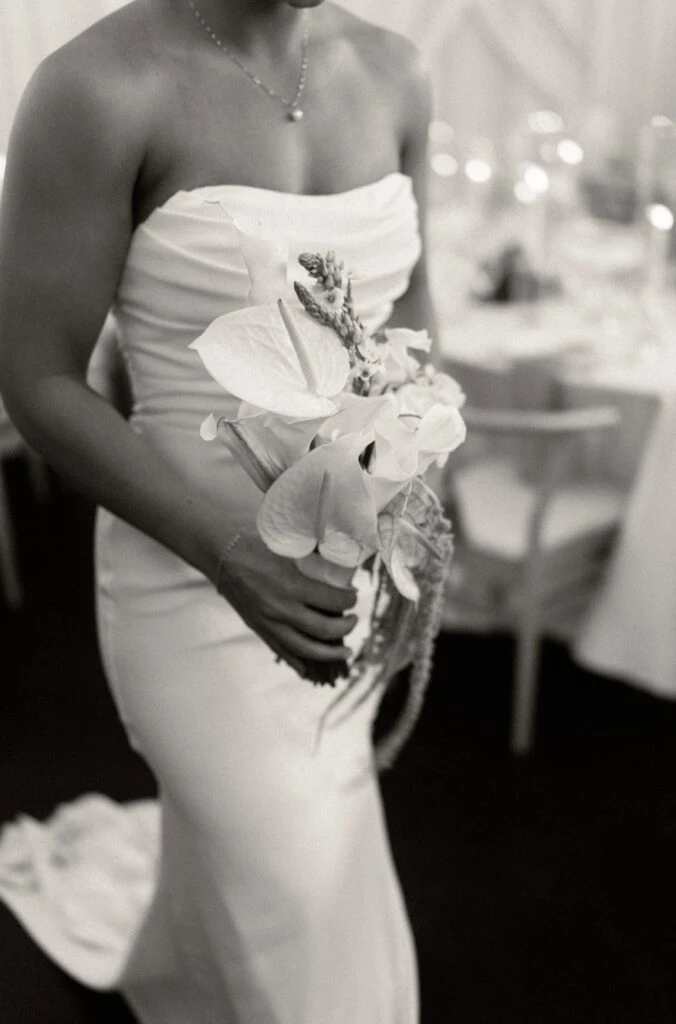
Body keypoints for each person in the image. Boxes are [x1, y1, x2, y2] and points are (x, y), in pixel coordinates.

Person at [0, 1, 435, 1020]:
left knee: (283, 867)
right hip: (183, 579)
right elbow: (37, 378)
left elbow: (411, 312)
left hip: (350, 563)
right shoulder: (98, 87)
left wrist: (418, 525)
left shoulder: (399, 70)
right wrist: (230, 553)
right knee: (292, 883)